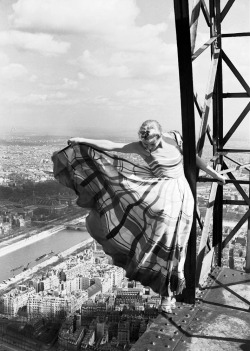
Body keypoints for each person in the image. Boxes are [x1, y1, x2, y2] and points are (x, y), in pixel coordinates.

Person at [52, 120, 226, 313]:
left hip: (183, 193)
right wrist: (82, 140)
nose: (149, 148)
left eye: (152, 144)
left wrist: (214, 174)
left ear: (161, 135)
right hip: (163, 198)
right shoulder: (141, 147)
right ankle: (166, 295)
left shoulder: (174, 139)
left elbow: (193, 159)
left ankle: (173, 287)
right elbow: (112, 145)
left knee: (181, 242)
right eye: (145, 145)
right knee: (167, 244)